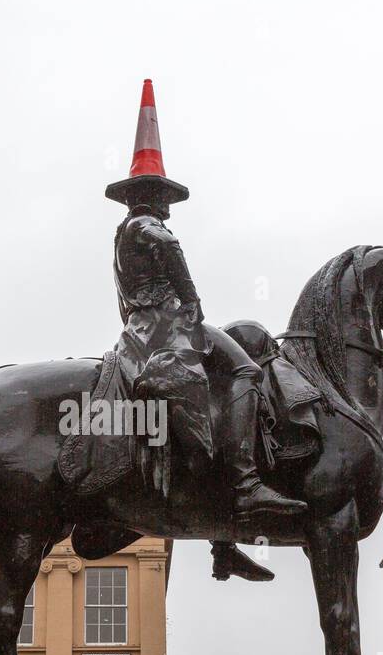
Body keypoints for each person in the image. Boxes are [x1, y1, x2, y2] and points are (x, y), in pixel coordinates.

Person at [106, 81, 305, 583]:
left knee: (237, 357)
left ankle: (224, 543)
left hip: (143, 328)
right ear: (150, 197)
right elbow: (171, 252)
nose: (167, 205)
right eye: (162, 195)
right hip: (165, 327)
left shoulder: (123, 235)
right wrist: (192, 302)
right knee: (241, 368)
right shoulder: (144, 227)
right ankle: (246, 484)